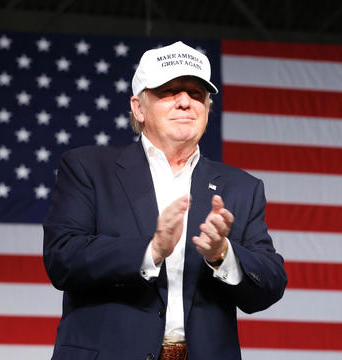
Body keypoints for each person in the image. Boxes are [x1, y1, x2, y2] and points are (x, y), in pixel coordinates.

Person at [42, 41, 288, 360]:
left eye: (197, 94)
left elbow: (270, 283)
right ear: (139, 108)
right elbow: (62, 258)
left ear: (207, 109)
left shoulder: (241, 187)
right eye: (169, 91)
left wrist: (223, 255)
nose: (185, 101)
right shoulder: (88, 168)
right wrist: (152, 249)